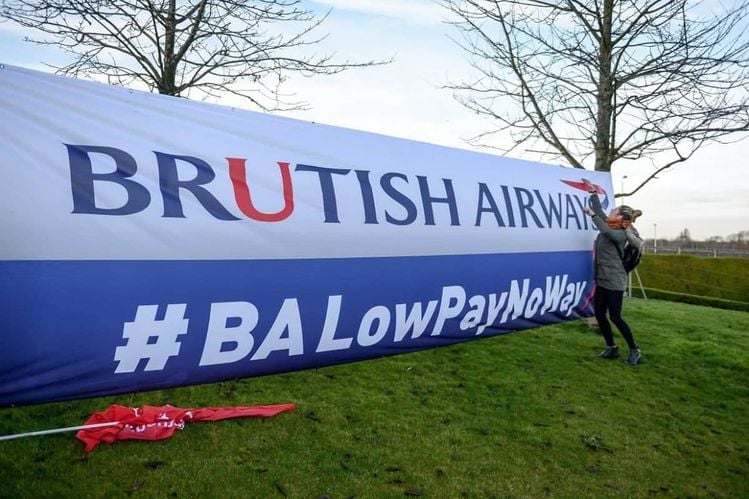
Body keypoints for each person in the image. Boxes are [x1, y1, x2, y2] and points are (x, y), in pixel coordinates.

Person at [582, 178, 643, 365]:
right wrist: (592, 193)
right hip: (602, 279)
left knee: (615, 316)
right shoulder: (611, 224)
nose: (610, 212)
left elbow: (607, 232)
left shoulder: (622, 233)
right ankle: (611, 348)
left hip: (615, 281)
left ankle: (634, 349)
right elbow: (601, 214)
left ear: (621, 218)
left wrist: (592, 216)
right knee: (600, 314)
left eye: (613, 211)